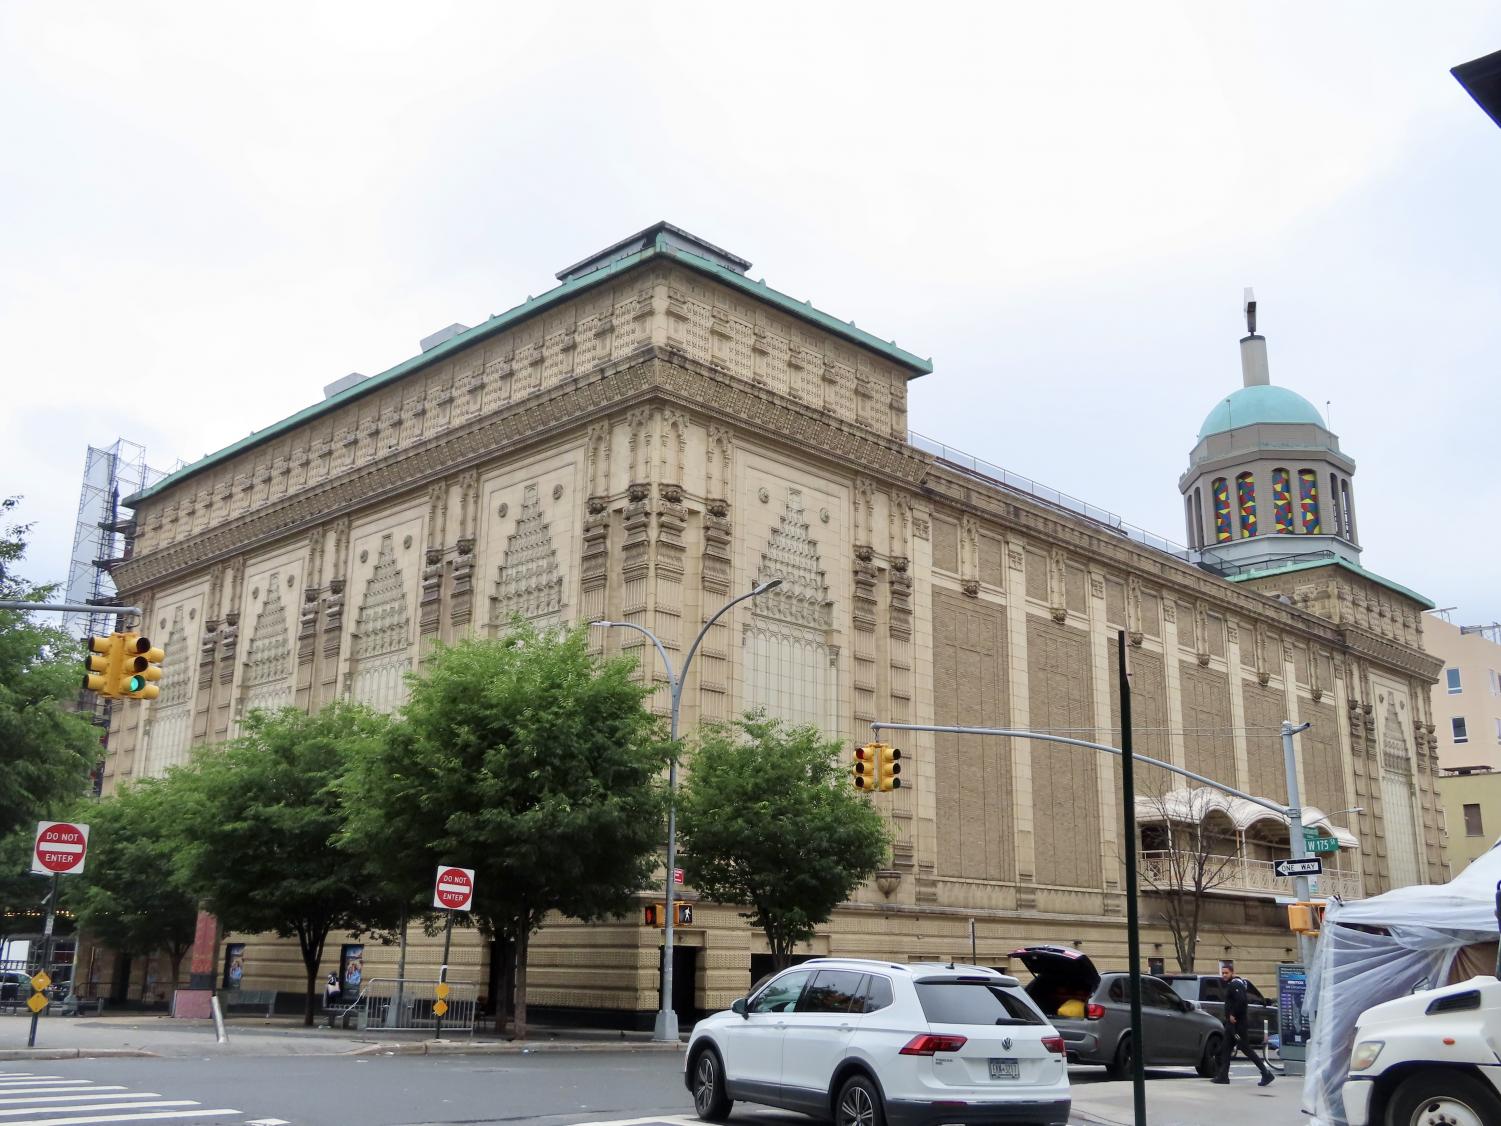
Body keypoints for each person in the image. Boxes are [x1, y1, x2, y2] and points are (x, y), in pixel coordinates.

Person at [1213, 961, 1275, 1086]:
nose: (1224, 975)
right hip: (1232, 1026)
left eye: (1226, 973)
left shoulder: (1235, 984)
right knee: (1225, 1048)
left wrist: (1233, 1014)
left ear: (1232, 973)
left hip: (1237, 1025)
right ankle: (1223, 1076)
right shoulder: (1233, 984)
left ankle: (1266, 1073)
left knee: (1245, 1048)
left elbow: (1242, 1001)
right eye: (1223, 973)